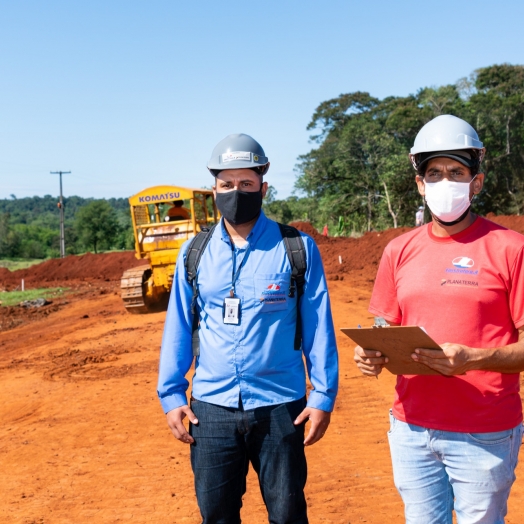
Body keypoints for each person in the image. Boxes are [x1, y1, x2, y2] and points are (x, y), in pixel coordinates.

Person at [158, 133, 338, 524]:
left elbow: (318, 326)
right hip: (212, 410)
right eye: (227, 185)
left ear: (263, 188)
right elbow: (179, 325)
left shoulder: (297, 248)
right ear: (214, 189)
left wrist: (322, 395)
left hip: (280, 407)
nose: (235, 192)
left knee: (288, 514)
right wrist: (171, 394)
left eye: (246, 184)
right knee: (217, 515)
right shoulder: (194, 253)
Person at [354, 115, 524, 524]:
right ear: (420, 184)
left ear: (476, 182)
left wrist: (474, 359)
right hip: (412, 430)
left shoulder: (510, 248)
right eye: (434, 173)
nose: (444, 182)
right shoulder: (398, 250)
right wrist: (371, 352)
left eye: (456, 172)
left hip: (484, 432)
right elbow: (384, 324)